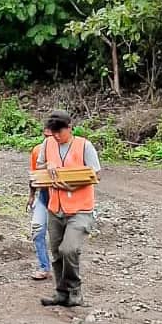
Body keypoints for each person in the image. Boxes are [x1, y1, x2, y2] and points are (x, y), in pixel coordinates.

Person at [37, 110, 101, 308]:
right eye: (53, 132)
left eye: (60, 132)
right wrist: (47, 166)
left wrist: (73, 184)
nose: (56, 136)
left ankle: (75, 289)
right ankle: (61, 293)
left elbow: (96, 175)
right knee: (56, 252)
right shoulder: (48, 144)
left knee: (69, 249)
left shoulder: (84, 146)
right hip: (55, 207)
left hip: (80, 208)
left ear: (69, 127)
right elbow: (39, 167)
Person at [27, 125, 54, 280]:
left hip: (61, 196)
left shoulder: (65, 152)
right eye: (45, 136)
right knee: (37, 231)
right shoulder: (38, 150)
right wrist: (31, 196)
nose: (47, 140)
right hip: (44, 195)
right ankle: (44, 267)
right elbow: (34, 175)